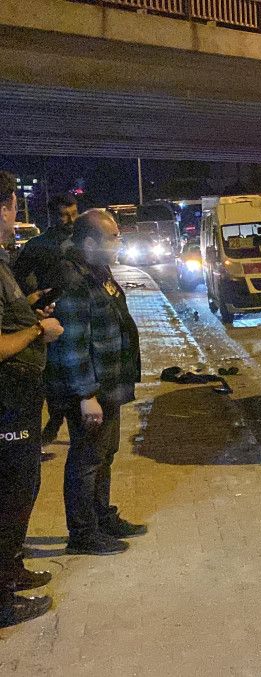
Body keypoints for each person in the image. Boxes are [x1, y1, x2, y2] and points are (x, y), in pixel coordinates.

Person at [44, 209, 145, 556]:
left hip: (108, 385)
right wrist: (86, 395)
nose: (119, 243)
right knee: (86, 460)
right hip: (91, 389)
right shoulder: (74, 279)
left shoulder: (98, 272)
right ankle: (83, 534)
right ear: (90, 243)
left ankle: (102, 517)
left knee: (105, 454)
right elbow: (73, 343)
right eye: (113, 237)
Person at [0, 171, 64, 627]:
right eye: (12, 206)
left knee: (22, 489)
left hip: (18, 398)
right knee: (11, 495)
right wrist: (39, 329)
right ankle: (2, 600)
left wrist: (31, 308)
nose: (14, 215)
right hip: (6, 402)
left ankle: (11, 570)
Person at [13, 193, 78, 446]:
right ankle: (55, 419)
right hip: (50, 317)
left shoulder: (82, 241)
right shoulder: (38, 245)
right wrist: (36, 297)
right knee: (52, 375)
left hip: (78, 316)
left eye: (74, 214)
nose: (70, 220)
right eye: (64, 215)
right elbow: (18, 278)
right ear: (52, 216)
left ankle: (70, 420)